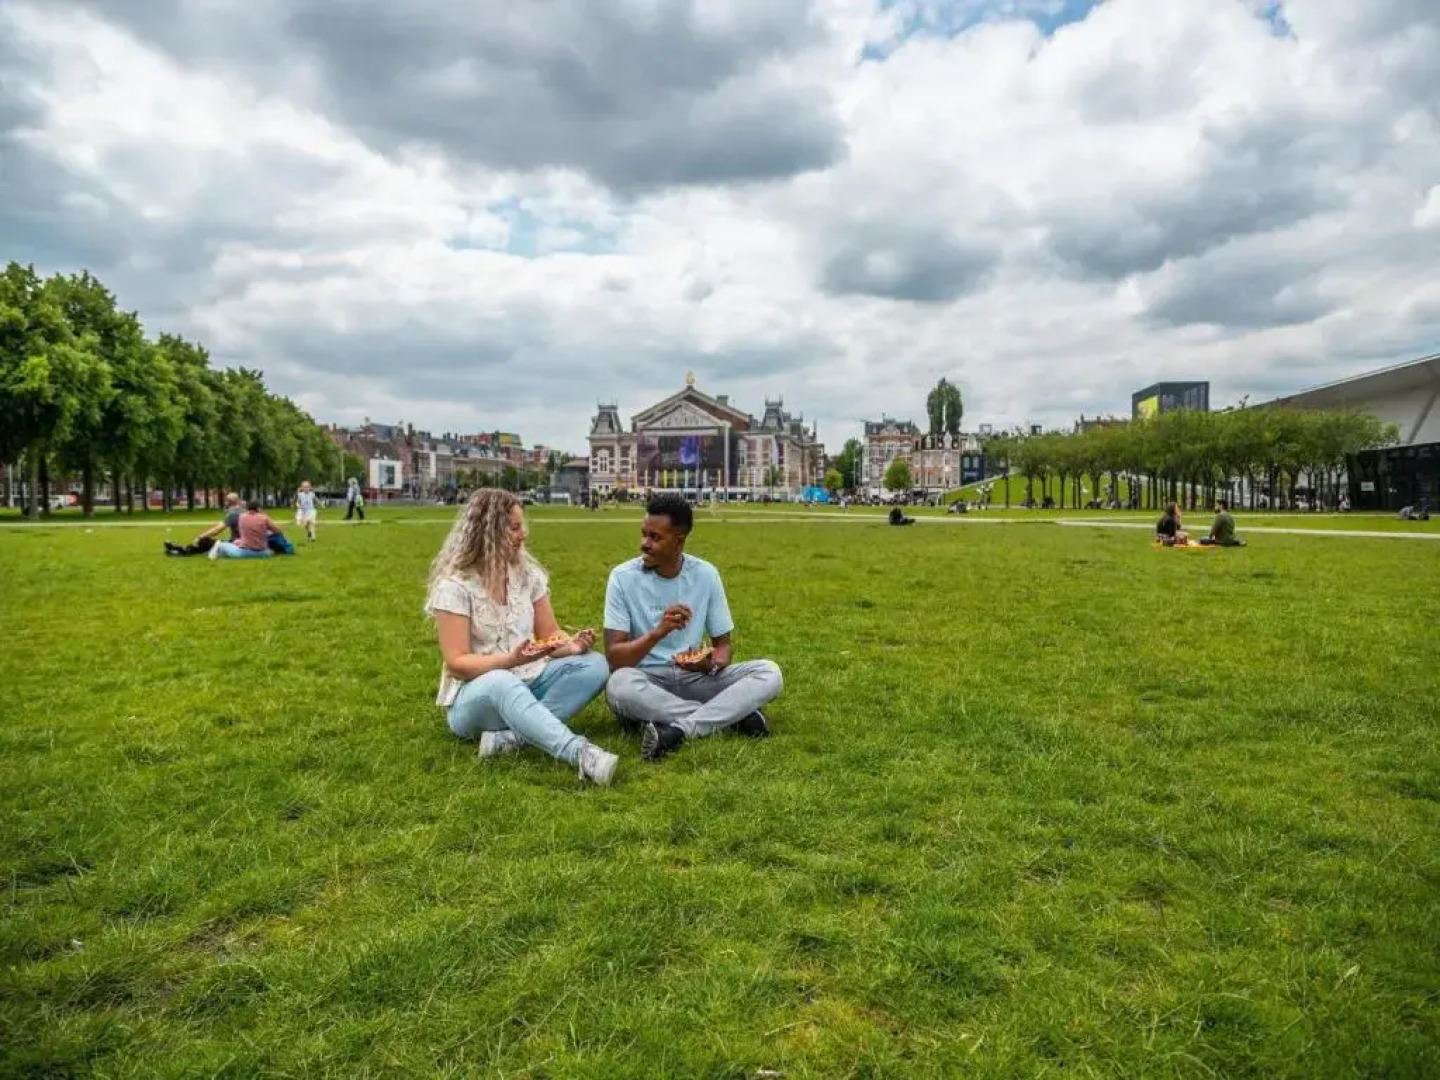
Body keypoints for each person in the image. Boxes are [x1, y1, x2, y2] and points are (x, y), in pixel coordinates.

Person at [425, 488, 617, 784]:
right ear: (489, 532)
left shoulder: (527, 575)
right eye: (514, 527)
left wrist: (572, 645)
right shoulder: (455, 587)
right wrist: (510, 660)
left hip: (531, 680)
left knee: (595, 665)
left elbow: (549, 635)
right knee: (503, 680)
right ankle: (580, 753)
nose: (523, 534)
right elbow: (457, 663)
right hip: (477, 698)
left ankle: (512, 738)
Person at [603, 493, 783, 761]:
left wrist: (712, 664)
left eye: (655, 538)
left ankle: (679, 729)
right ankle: (731, 718)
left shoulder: (706, 574)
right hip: (647, 680)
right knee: (618, 685)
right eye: (644, 534)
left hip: (696, 677)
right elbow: (616, 658)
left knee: (770, 673)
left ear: (679, 541)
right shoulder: (622, 577)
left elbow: (723, 645)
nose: (644, 544)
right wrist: (658, 632)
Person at [164, 492, 241, 556]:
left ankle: (179, 550)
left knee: (204, 541)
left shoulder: (233, 514)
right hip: (238, 542)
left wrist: (200, 537)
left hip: (235, 543)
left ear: (227, 502)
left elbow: (217, 530)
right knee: (206, 544)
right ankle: (179, 550)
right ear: (238, 501)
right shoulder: (242, 511)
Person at [209, 499, 283, 559]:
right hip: (263, 552)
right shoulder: (264, 518)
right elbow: (277, 531)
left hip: (245, 552)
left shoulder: (242, 517)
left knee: (224, 545)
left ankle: (218, 549)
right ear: (258, 508)